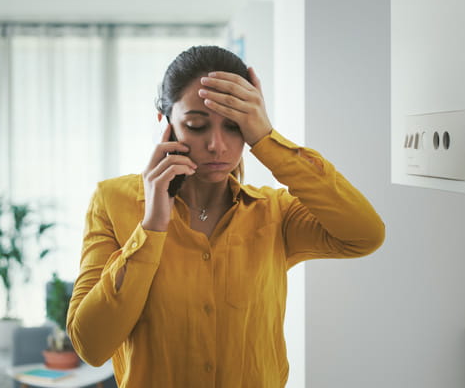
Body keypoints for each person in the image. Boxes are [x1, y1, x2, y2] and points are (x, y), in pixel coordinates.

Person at [67, 45, 384, 387]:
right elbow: (91, 346)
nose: (217, 145)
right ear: (166, 124)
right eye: (196, 125)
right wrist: (152, 227)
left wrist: (267, 139)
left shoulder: (275, 213)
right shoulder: (112, 201)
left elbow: (365, 234)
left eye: (234, 127)